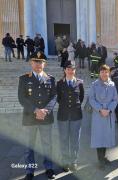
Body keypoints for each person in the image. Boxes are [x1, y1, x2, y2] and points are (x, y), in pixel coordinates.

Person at [18, 51, 57, 179]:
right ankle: (29, 171)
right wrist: (36, 110)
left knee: (47, 145)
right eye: (36, 61)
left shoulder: (50, 79)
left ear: (44, 64)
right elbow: (22, 98)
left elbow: (53, 97)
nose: (38, 64)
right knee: (29, 146)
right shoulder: (24, 78)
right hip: (30, 117)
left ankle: (49, 168)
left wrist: (45, 110)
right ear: (31, 62)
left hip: (46, 117)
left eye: (41, 62)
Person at [89, 64, 118, 170]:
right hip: (98, 114)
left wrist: (109, 109)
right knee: (98, 137)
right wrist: (101, 109)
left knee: (106, 136)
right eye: (102, 72)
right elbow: (91, 99)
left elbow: (115, 99)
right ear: (99, 73)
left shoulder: (112, 84)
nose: (104, 74)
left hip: (109, 114)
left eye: (106, 72)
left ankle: (104, 157)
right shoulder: (94, 84)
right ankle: (100, 160)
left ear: (109, 73)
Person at [56, 60, 84, 172]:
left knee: (75, 140)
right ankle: (65, 161)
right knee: (63, 139)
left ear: (75, 70)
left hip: (76, 115)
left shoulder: (80, 82)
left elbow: (81, 98)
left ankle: (73, 161)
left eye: (72, 69)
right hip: (63, 115)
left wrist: (73, 107)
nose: (70, 71)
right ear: (65, 70)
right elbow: (58, 98)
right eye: (68, 69)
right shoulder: (59, 83)